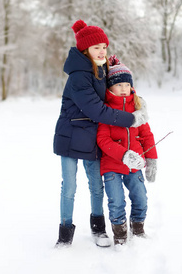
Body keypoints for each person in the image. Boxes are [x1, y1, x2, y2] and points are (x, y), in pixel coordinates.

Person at [53, 20, 148, 248]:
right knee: (70, 187)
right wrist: (131, 118)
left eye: (104, 47)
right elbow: (97, 108)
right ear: (85, 50)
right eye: (96, 47)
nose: (102, 51)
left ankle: (99, 230)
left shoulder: (100, 67)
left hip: (92, 136)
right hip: (71, 136)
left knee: (96, 185)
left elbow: (118, 85)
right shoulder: (79, 76)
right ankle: (64, 235)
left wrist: (136, 101)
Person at [96, 55, 158, 246]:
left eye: (126, 84)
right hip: (112, 165)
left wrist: (152, 160)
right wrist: (123, 154)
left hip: (135, 165)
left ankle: (138, 229)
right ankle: (120, 235)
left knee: (141, 197)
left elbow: (147, 136)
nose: (123, 88)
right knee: (116, 201)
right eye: (118, 85)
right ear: (110, 88)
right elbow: (102, 138)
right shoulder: (106, 110)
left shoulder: (137, 110)